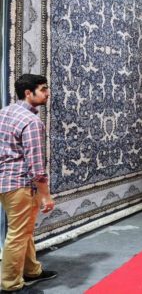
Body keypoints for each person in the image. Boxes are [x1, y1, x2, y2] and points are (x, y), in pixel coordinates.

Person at [0, 74, 58, 293]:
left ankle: (31, 270)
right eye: (43, 89)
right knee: (17, 234)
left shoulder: (4, 112)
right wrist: (46, 195)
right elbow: (36, 165)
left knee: (23, 230)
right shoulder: (31, 122)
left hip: (5, 182)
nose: (47, 93)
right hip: (20, 185)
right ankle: (10, 284)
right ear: (28, 93)